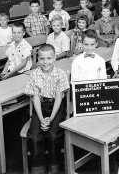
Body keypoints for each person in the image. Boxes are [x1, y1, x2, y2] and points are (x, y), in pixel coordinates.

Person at [24, 44, 70, 174]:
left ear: (54, 58)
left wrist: (50, 119)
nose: (45, 62)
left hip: (56, 107)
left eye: (49, 58)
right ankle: (38, 168)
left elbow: (59, 98)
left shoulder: (61, 74)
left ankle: (54, 167)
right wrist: (41, 119)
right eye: (42, 59)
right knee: (34, 136)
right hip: (40, 108)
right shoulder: (34, 75)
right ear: (38, 59)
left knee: (53, 135)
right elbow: (36, 99)